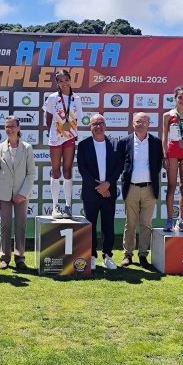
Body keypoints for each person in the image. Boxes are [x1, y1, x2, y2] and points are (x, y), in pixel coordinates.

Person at [117, 112, 163, 268]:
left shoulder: (156, 142)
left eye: (144, 122)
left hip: (149, 188)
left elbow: (158, 164)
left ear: (149, 124)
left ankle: (143, 255)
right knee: (130, 223)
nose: (141, 124)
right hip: (131, 188)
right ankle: (127, 255)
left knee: (146, 224)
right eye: (138, 121)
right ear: (132, 123)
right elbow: (121, 164)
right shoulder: (124, 142)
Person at [0, 116, 36, 270]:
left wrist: (23, 194)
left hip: (22, 194)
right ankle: (4, 258)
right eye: (7, 126)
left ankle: (20, 257)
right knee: (5, 226)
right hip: (3, 193)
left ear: (18, 128)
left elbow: (31, 173)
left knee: (21, 226)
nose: (9, 129)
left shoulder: (27, 148)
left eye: (12, 126)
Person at [77, 114, 122, 270]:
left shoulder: (115, 143)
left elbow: (119, 167)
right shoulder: (83, 145)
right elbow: (82, 169)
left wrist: (107, 184)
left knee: (108, 225)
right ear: (90, 127)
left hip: (109, 192)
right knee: (90, 225)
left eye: (101, 123)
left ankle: (107, 256)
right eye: (95, 124)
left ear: (105, 125)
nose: (98, 126)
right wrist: (100, 187)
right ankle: (91, 255)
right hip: (91, 192)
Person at [43, 69, 83, 219]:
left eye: (66, 80)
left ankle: (67, 206)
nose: (64, 83)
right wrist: (53, 134)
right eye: (61, 81)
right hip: (55, 138)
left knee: (67, 171)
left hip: (69, 137)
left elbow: (76, 119)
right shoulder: (52, 98)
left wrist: (68, 132)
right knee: (55, 171)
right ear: (57, 83)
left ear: (70, 80)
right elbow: (48, 119)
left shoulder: (76, 99)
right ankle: (55, 206)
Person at [162, 86, 183, 232]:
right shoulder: (168, 115)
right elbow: (164, 137)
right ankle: (169, 220)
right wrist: (165, 155)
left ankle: (181, 220)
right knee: (171, 186)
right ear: (175, 98)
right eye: (180, 97)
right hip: (173, 150)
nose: (182, 100)